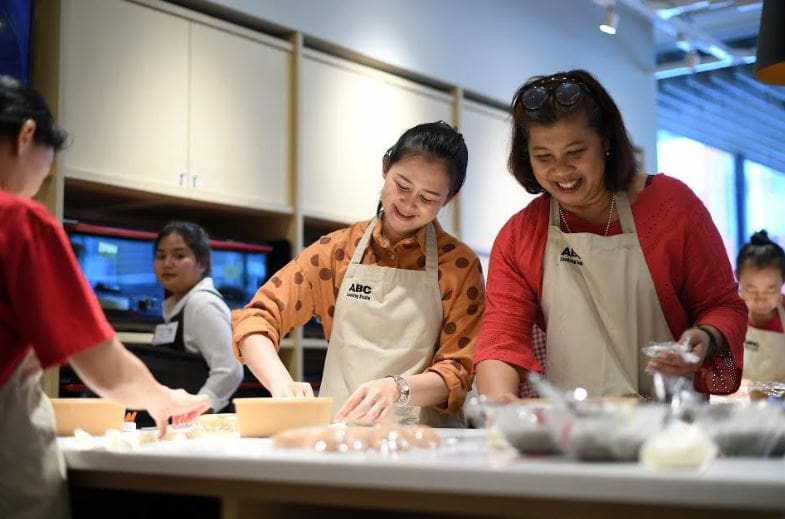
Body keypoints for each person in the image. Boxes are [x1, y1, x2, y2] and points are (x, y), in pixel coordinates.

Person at [0, 76, 210, 519]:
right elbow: (100, 361)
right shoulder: (20, 221)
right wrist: (161, 400)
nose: (38, 185)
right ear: (26, 136)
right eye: (45, 171)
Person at [473, 70, 747, 400]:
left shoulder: (672, 207)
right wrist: (498, 406)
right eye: (543, 157)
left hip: (670, 419)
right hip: (573, 422)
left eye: (575, 152)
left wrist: (706, 336)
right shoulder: (521, 235)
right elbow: (502, 337)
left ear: (605, 142)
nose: (560, 170)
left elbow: (724, 306)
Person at [232, 121, 484, 425]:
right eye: (402, 186)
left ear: (449, 198)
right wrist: (280, 383)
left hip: (424, 438)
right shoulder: (336, 251)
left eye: (427, 198)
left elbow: (458, 371)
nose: (408, 204)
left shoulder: (459, 265)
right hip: (342, 432)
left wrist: (397, 388)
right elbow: (257, 317)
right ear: (385, 168)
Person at [152, 221, 244, 413]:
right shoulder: (174, 305)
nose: (167, 263)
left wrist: (197, 410)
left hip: (202, 423)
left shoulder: (202, 304)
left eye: (179, 255)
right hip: (179, 420)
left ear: (202, 263)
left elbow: (230, 370)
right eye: (161, 256)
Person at [736, 230, 785, 385]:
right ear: (737, 278)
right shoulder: (731, 314)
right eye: (752, 289)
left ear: (783, 282)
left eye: (771, 290)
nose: (761, 299)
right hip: (742, 394)